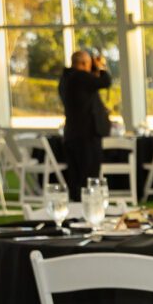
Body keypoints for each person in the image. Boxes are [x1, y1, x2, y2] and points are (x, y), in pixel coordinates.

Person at [57, 49, 112, 201]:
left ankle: (76, 210)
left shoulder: (66, 78)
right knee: (89, 176)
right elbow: (105, 81)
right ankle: (88, 207)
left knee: (76, 177)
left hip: (72, 134)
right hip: (86, 135)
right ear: (82, 64)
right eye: (89, 63)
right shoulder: (80, 76)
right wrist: (100, 67)